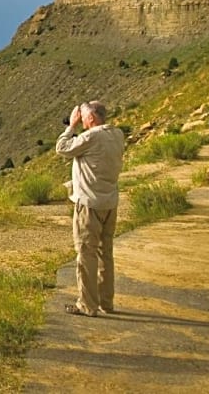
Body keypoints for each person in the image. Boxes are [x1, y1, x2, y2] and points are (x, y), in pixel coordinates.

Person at [55, 101, 125, 317]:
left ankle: (87, 304)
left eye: (83, 116)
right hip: (110, 203)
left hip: (89, 205)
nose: (81, 119)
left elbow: (62, 148)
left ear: (91, 119)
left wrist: (71, 126)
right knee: (106, 254)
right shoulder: (117, 134)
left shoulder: (91, 137)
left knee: (86, 254)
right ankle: (106, 302)